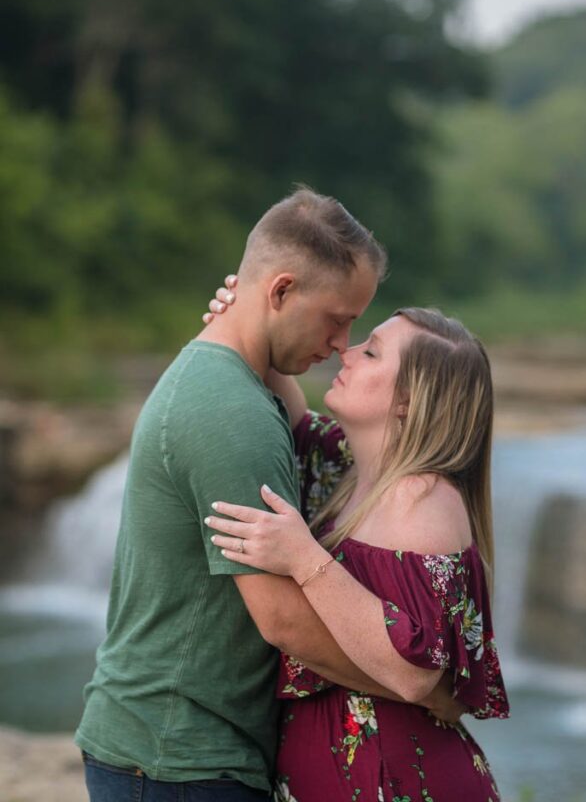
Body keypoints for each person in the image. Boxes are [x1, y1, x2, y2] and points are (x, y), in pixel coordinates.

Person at [76, 188, 460, 802]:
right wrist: (419, 686)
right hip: (181, 758)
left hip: (173, 747)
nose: (342, 343)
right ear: (280, 291)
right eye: (337, 319)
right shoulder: (233, 415)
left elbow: (303, 430)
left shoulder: (232, 384)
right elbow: (284, 620)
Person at [203, 288, 509, 800]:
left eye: (370, 352)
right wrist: (247, 326)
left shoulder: (423, 500)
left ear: (409, 402)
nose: (347, 352)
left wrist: (305, 559)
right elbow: (295, 419)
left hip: (395, 781)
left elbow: (415, 676)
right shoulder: (351, 466)